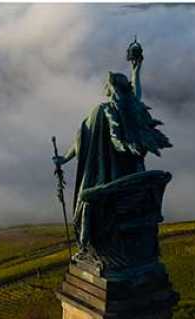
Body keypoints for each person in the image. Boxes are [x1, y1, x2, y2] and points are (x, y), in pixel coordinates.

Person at [53, 41, 171, 251]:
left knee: (96, 205)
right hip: (115, 174)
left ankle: (95, 243)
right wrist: (136, 70)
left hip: (113, 176)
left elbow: (84, 139)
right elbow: (84, 138)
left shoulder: (113, 110)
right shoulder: (116, 111)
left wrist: (136, 71)